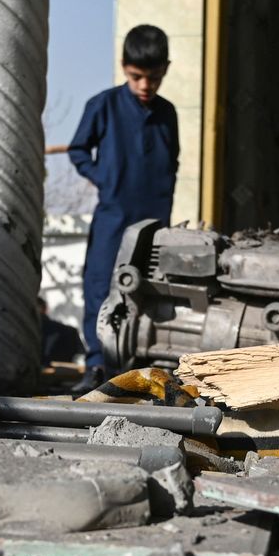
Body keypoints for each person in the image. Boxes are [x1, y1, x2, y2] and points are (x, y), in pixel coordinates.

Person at [66, 25, 178, 389]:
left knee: (150, 291)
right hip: (113, 216)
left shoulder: (168, 113)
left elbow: (171, 162)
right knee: (100, 286)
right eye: (137, 77)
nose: (146, 85)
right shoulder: (104, 105)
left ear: (165, 70)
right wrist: (103, 178)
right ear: (124, 67)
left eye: (154, 78)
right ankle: (97, 365)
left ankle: (141, 368)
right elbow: (78, 149)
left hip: (155, 224)